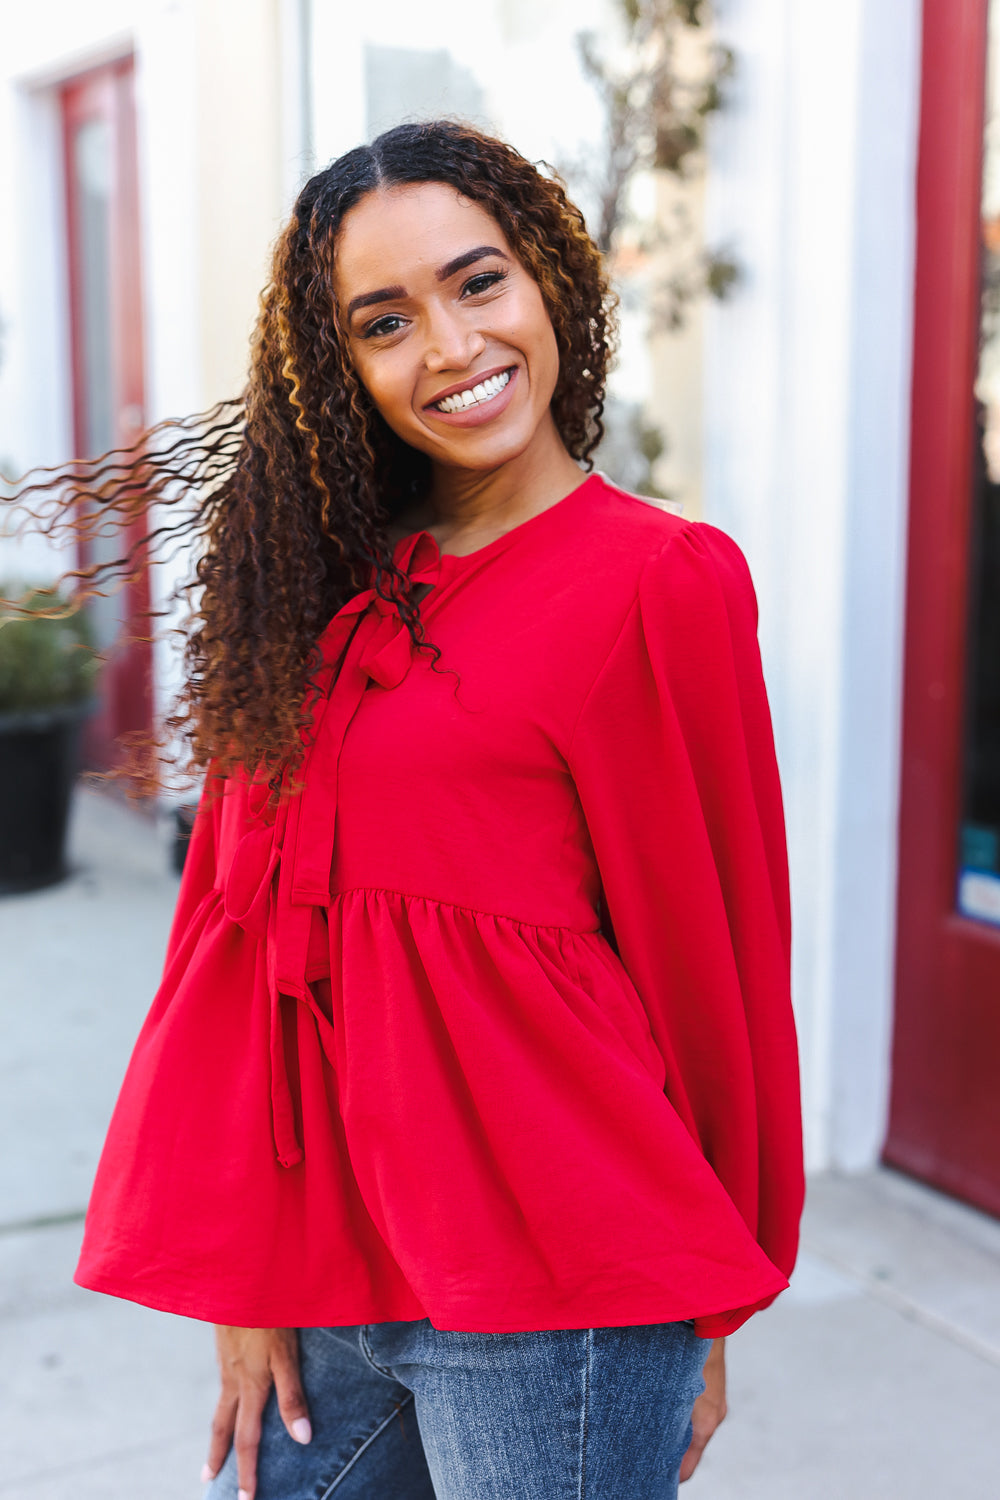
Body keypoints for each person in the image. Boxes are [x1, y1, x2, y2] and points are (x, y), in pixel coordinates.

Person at [24, 119, 804, 1498]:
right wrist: (246, 1268)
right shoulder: (325, 580)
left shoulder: (658, 582)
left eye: (477, 282)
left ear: (549, 284)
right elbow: (234, 936)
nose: (448, 347)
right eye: (386, 321)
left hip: (560, 1287)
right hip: (337, 1268)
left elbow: (711, 953)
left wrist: (717, 1281)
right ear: (342, 370)